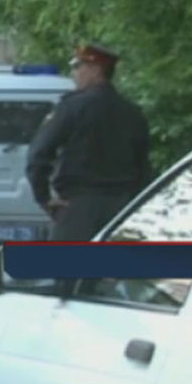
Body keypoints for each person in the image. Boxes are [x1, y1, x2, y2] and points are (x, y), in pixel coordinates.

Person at [25, 43, 152, 241]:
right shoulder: (132, 112)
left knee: (70, 268)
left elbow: (38, 155)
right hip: (123, 212)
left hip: (78, 210)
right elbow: (144, 167)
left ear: (96, 70)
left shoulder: (72, 107)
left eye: (78, 66)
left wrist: (45, 199)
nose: (74, 73)